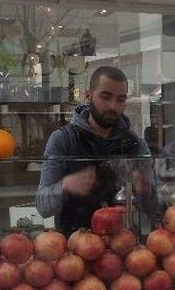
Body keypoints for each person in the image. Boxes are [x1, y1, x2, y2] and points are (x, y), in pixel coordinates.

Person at [36, 66, 150, 233]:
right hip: (74, 250)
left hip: (124, 249)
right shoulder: (63, 140)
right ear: (88, 96)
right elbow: (42, 207)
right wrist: (65, 185)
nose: (113, 106)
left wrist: (144, 190)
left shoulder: (136, 144)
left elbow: (155, 206)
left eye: (121, 99)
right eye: (105, 96)